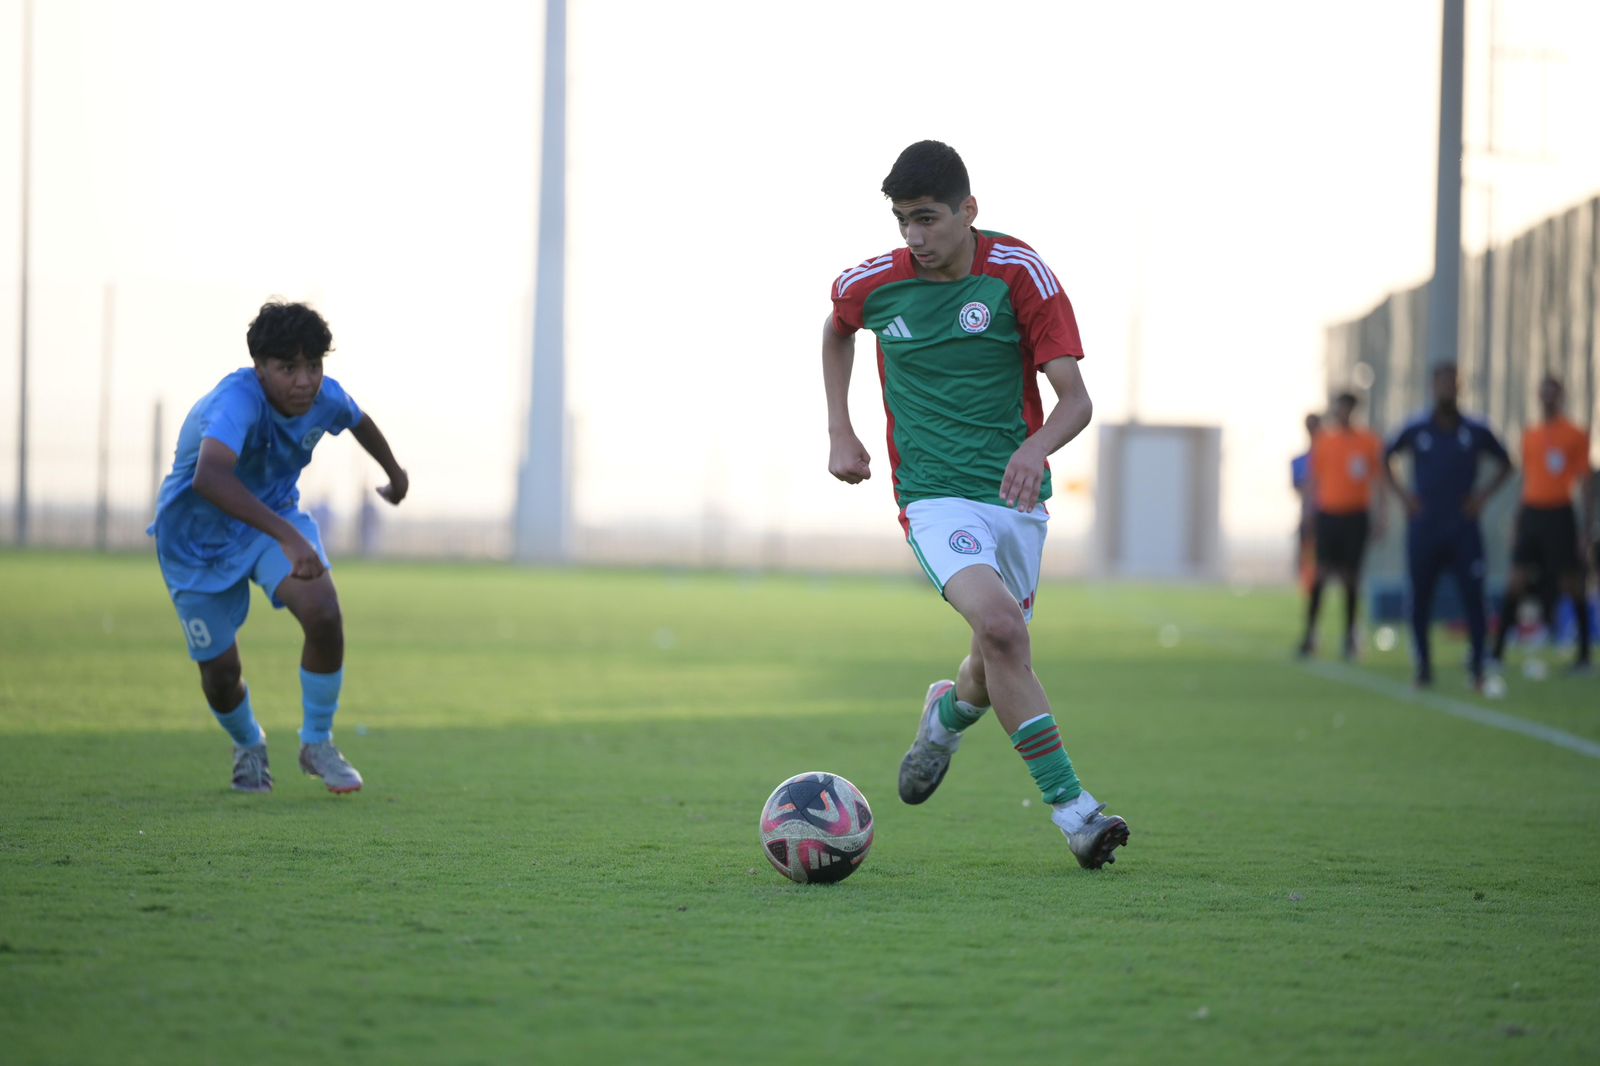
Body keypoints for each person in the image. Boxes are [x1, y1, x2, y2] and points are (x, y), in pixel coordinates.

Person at [821, 140, 1127, 870]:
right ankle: (1076, 814)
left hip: (1015, 500)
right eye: (902, 221)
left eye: (927, 219)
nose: (914, 238)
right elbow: (836, 329)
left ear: (969, 210)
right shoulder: (872, 285)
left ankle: (948, 715)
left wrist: (1035, 448)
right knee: (1000, 628)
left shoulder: (1019, 274)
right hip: (933, 498)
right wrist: (841, 428)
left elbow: (1075, 401)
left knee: (995, 658)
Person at [149, 300, 409, 793]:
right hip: (195, 545)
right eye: (288, 368)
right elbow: (210, 477)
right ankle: (248, 743)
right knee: (222, 675)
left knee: (324, 612)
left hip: (268, 522)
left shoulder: (322, 397)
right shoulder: (236, 402)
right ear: (260, 369)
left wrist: (394, 474)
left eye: (313, 365)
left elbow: (357, 418)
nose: (304, 380)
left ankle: (317, 743)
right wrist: (289, 537)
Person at [1382, 363, 1512, 691]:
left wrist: (1482, 497)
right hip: (1425, 527)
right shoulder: (1416, 428)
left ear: (1460, 387)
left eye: (1452, 383)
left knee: (1473, 597)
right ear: (1432, 386)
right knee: (1420, 598)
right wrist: (1404, 498)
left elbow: (1507, 463)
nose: (1446, 389)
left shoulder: (1476, 429)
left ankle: (1479, 666)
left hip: (1463, 529)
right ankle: (1423, 667)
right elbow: (1384, 458)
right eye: (1441, 383)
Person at [1490, 375, 1593, 674]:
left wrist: (1586, 530)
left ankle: (1584, 655)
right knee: (1516, 580)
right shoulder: (1531, 435)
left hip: (1560, 514)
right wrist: (1518, 521)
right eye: (1544, 393)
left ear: (1561, 396)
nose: (1548, 398)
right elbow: (1528, 480)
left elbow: (1585, 483)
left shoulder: (1575, 434)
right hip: (1533, 514)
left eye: (1553, 393)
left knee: (1572, 584)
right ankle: (1496, 652)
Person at [1298, 393, 1385, 660]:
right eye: (1339, 409)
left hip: (1355, 516)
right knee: (1321, 574)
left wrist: (1382, 515)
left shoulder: (1368, 441)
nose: (1342, 413)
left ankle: (1350, 637)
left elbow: (1379, 480)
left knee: (1351, 577)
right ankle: (1310, 635)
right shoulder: (1325, 442)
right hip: (1328, 516)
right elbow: (1313, 481)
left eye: (1347, 409)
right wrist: (1307, 514)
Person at [1291, 412, 1322, 596]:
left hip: (1330, 517)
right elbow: (1299, 488)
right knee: (1308, 560)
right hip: (1309, 516)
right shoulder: (1299, 461)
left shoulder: (1332, 458)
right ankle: (1310, 598)